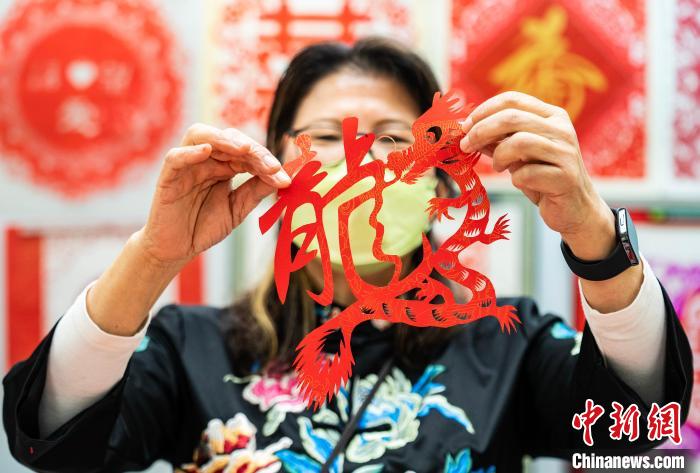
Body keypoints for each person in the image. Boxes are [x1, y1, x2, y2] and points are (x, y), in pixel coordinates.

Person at [3, 38, 692, 473]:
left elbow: (635, 428)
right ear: (274, 165)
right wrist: (153, 257)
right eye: (328, 137)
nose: (360, 162)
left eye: (392, 138)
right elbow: (53, 440)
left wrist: (596, 238)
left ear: (439, 179)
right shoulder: (193, 348)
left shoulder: (506, 343)